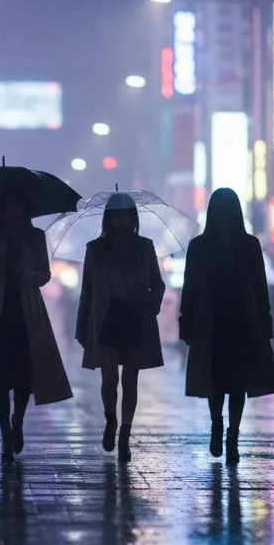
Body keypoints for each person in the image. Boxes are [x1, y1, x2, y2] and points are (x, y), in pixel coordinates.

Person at [0, 189, 72, 463]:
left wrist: (25, 272)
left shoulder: (35, 238)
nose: (14, 210)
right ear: (2, 207)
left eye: (19, 204)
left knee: (23, 375)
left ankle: (17, 421)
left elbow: (44, 274)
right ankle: (5, 432)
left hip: (26, 313)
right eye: (9, 204)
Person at [179, 187, 274, 464]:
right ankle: (220, 427)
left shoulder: (241, 245)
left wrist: (264, 323)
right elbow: (190, 287)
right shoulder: (212, 246)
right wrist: (187, 322)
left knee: (233, 383)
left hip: (235, 323)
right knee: (220, 382)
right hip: (222, 322)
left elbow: (259, 288)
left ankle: (231, 434)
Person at [75, 193, 166, 462]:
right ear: (109, 217)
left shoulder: (145, 247)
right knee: (109, 378)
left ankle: (125, 434)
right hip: (106, 317)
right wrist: (82, 326)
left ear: (133, 217)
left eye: (126, 213)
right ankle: (111, 419)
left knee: (131, 378)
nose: (121, 219)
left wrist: (152, 303)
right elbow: (87, 291)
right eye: (116, 214)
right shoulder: (96, 249)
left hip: (135, 316)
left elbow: (157, 283)